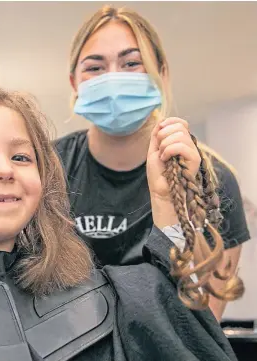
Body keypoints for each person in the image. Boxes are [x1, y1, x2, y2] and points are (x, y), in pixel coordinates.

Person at [0, 85, 241, 361]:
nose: (3, 169)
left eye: (22, 157)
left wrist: (166, 201)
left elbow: (181, 328)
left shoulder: (101, 297)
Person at [54, 5, 250, 321]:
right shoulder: (48, 168)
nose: (113, 78)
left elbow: (203, 323)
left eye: (132, 63)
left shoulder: (211, 180)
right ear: (75, 83)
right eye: (95, 67)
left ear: (161, 73)